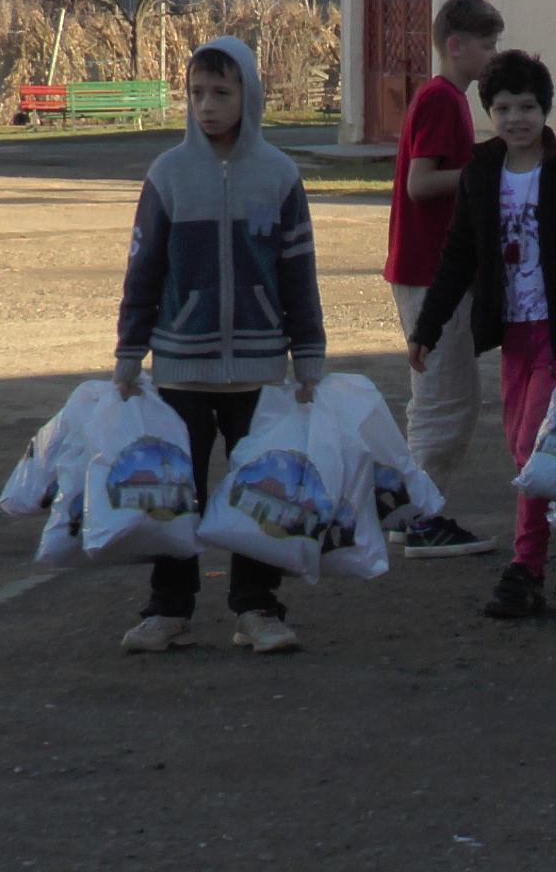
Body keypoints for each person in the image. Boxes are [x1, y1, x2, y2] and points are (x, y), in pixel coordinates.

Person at [113, 37, 326, 655]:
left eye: (222, 93)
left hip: (259, 371)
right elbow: (143, 270)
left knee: (260, 490)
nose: (207, 106)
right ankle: (168, 609)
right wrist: (129, 356)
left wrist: (308, 360)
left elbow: (299, 276)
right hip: (180, 367)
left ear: (249, 96)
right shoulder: (168, 174)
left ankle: (257, 609)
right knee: (175, 492)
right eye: (197, 93)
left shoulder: (280, 175)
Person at [406, 52, 556, 618]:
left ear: (545, 109)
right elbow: (458, 251)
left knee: (534, 447)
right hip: (512, 334)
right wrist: (428, 326)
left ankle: (524, 570)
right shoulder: (482, 172)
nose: (516, 119)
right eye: (503, 108)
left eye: (527, 107)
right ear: (488, 111)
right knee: (522, 447)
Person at [384, 0, 505, 559]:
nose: (492, 56)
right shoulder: (443, 99)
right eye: (486, 46)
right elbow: (421, 184)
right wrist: (486, 168)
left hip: (428, 268)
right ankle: (422, 519)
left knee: (444, 395)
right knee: (445, 399)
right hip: (431, 270)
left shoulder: (444, 99)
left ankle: (413, 511)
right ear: (455, 46)